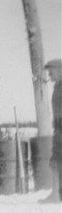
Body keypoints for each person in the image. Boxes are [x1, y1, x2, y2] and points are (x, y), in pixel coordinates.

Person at [43, 58, 62, 202]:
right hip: (58, 129)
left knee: (57, 161)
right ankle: (56, 193)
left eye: (51, 72)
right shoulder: (57, 87)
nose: (49, 75)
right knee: (56, 160)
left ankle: (56, 194)